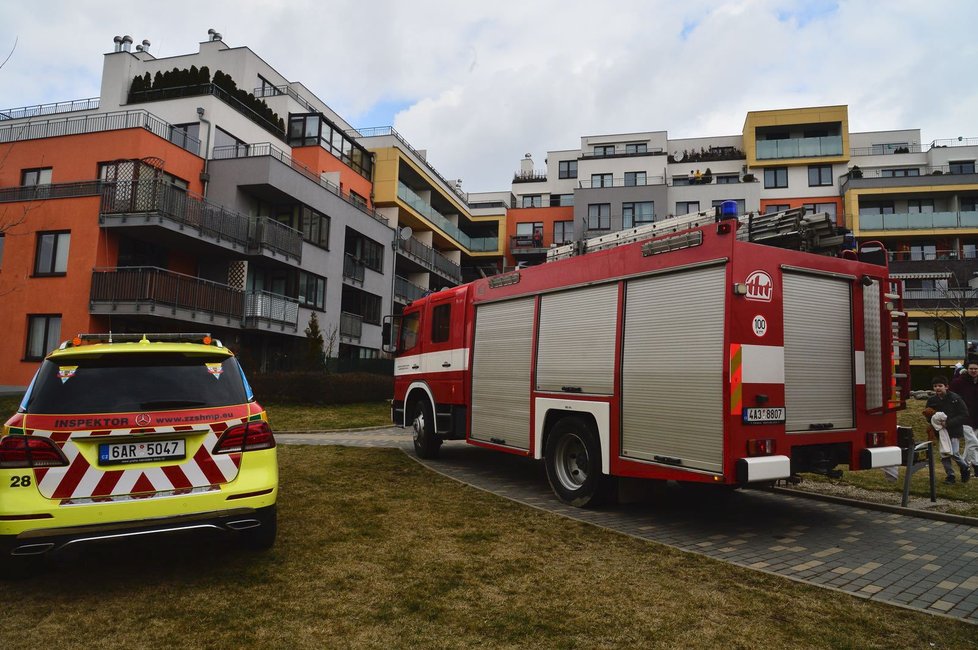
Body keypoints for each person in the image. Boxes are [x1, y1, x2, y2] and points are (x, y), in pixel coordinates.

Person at [924, 375, 971, 484]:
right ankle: (950, 475)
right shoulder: (932, 400)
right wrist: (933, 421)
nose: (937, 388)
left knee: (954, 452)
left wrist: (948, 423)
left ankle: (964, 467)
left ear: (946, 387)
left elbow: (964, 414)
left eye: (940, 386)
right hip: (940, 432)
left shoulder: (955, 398)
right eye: (935, 386)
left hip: (954, 430)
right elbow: (928, 415)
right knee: (944, 454)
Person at [949, 362, 978, 474]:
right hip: (963, 418)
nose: (974, 371)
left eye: (976, 369)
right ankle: (976, 466)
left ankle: (965, 466)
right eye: (971, 368)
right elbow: (952, 396)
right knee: (974, 442)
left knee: (970, 445)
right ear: (967, 369)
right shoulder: (959, 382)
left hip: (975, 418)